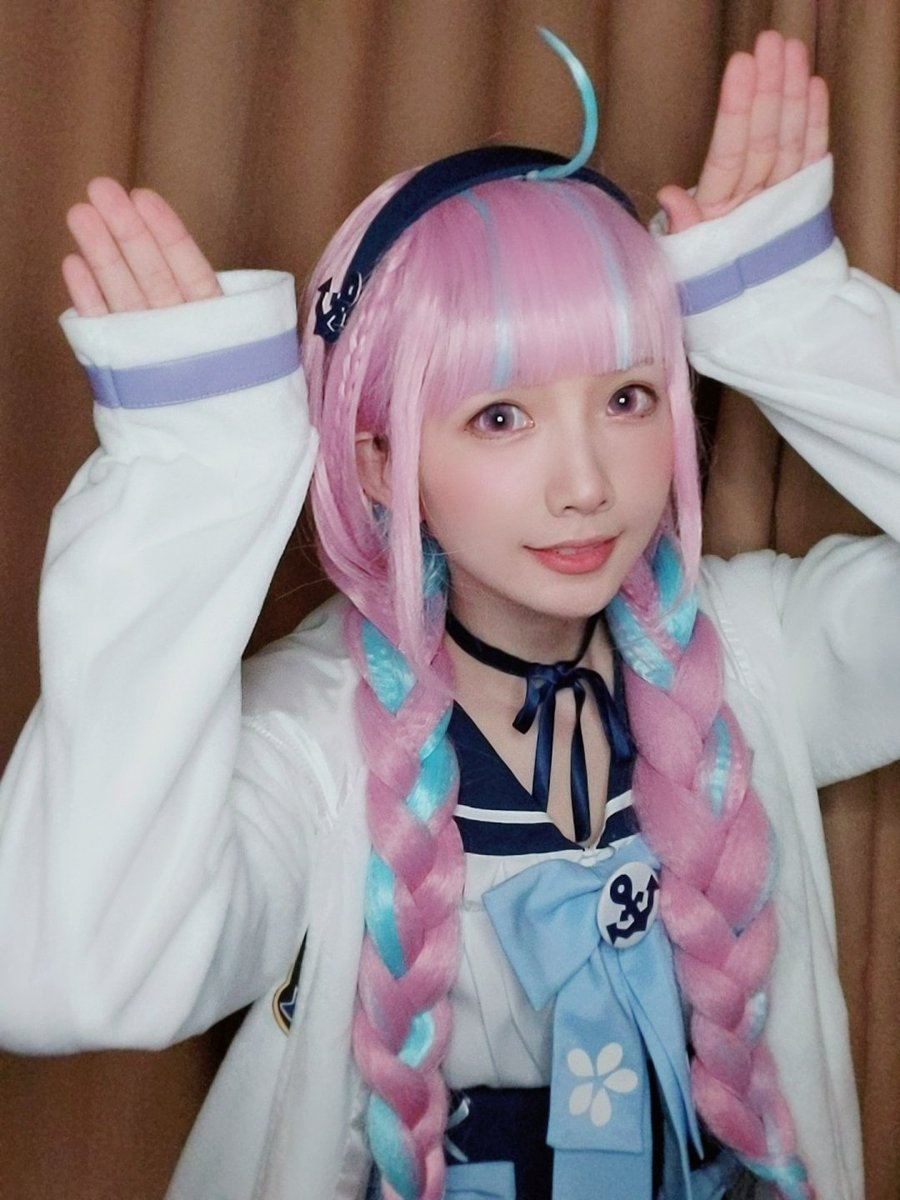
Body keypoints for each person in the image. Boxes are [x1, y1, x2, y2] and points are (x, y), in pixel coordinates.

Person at [0, 28, 895, 1200]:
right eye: (500, 418)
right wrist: (195, 477)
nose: (586, 483)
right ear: (378, 460)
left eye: (629, 397)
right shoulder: (312, 741)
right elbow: (64, 975)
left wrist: (785, 313)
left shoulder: (761, 656)